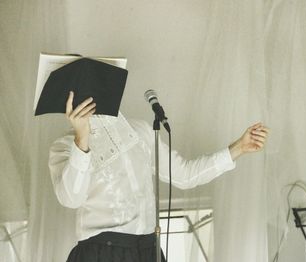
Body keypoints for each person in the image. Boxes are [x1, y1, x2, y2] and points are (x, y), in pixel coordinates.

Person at [49, 91, 269, 262]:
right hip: (100, 253)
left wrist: (238, 148)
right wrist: (82, 139)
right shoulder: (65, 145)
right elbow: (71, 198)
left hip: (148, 251)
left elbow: (184, 175)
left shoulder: (141, 131)